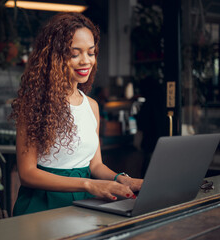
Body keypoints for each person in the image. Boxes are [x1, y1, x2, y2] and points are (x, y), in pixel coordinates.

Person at [10, 12, 143, 216]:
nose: (86, 61)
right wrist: (89, 185)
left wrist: (122, 179)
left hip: (84, 203)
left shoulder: (92, 106)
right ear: (54, 57)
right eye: (75, 54)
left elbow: (96, 165)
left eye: (91, 53)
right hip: (42, 205)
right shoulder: (35, 104)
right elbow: (27, 174)